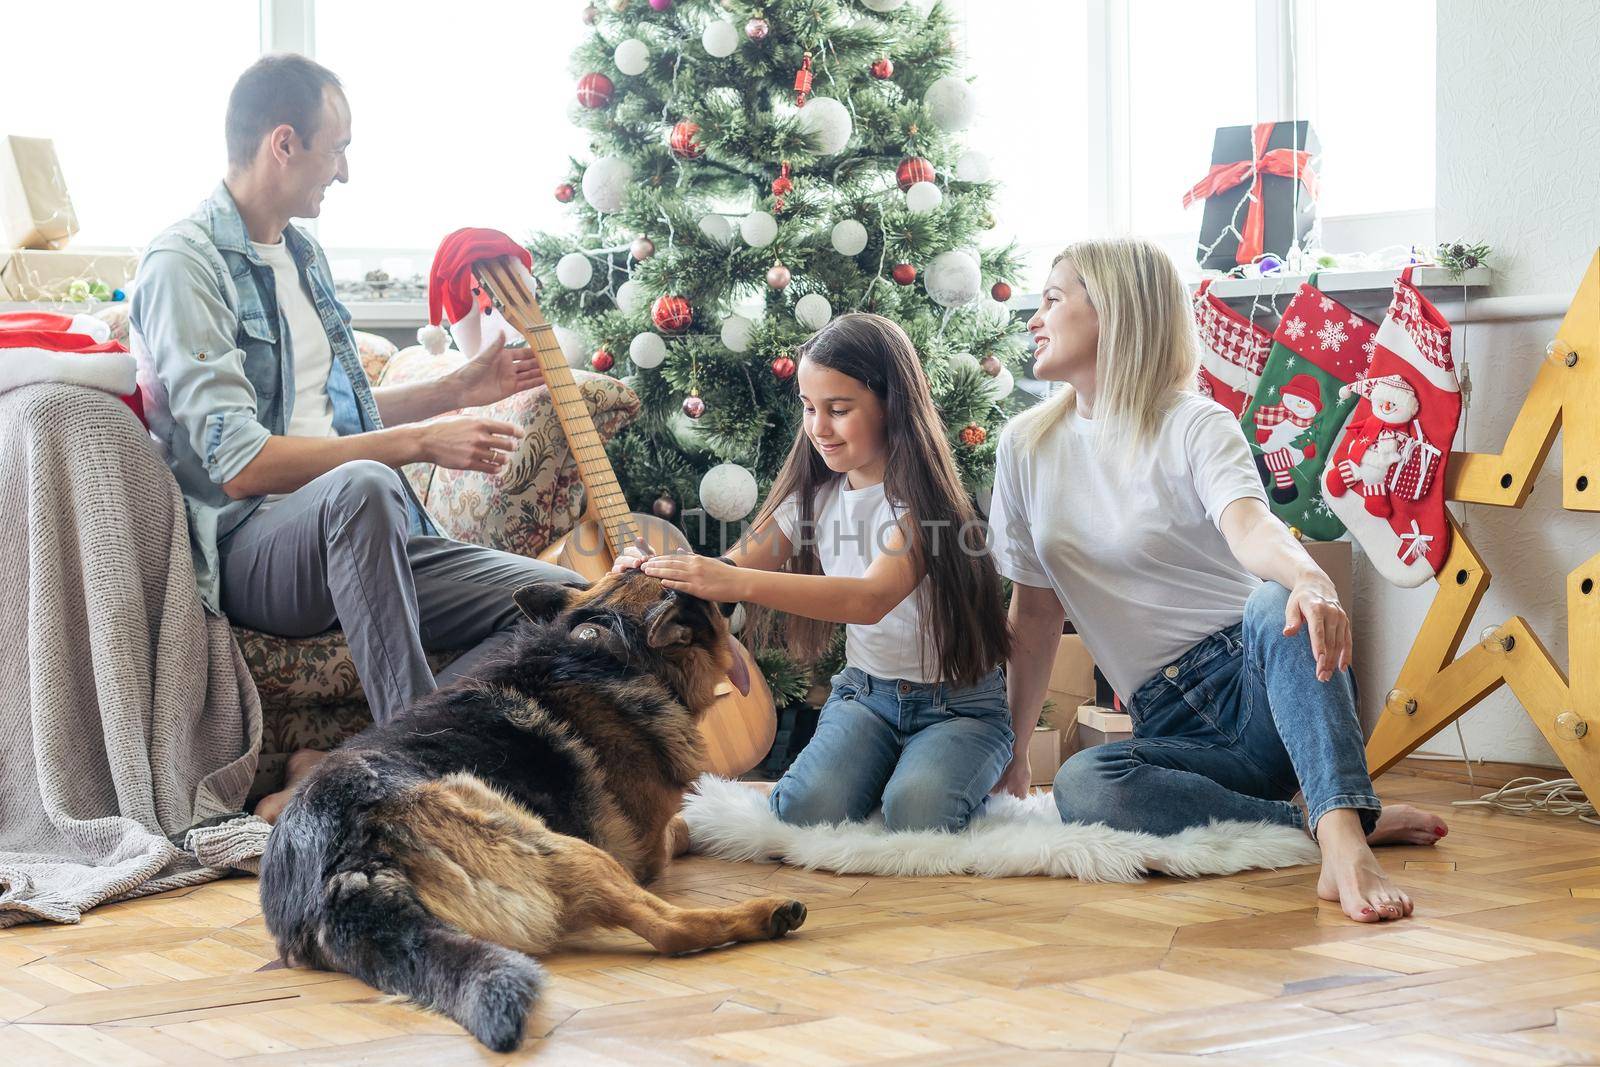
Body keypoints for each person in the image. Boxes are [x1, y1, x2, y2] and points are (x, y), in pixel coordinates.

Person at [132, 54, 582, 821]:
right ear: (284, 143)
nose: (342, 171)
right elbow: (241, 465)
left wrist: (456, 388)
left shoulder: (302, 255)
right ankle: (426, 797)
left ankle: (358, 759)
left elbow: (327, 415)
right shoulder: (185, 266)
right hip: (254, 547)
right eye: (336, 148)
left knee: (563, 605)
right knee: (367, 483)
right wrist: (417, 444)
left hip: (362, 524)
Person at [990, 238, 1447, 923]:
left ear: (1113, 310)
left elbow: (1251, 526)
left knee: (1276, 601)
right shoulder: (1025, 447)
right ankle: (1318, 820)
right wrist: (1015, 753)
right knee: (1085, 782)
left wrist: (1309, 580)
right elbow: (1032, 617)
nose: (1035, 316)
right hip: (1169, 724)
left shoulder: (1194, 423)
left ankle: (1347, 844)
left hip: (1261, 680)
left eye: (1054, 298)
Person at [617, 313, 1013, 833]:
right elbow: (730, 566)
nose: (818, 428)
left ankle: (939, 767)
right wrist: (654, 570)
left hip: (958, 706)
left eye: (839, 410)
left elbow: (869, 598)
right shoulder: (815, 496)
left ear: (892, 405)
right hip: (866, 698)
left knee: (919, 816)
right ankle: (892, 767)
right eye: (808, 408)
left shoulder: (927, 508)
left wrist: (734, 583)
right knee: (804, 811)